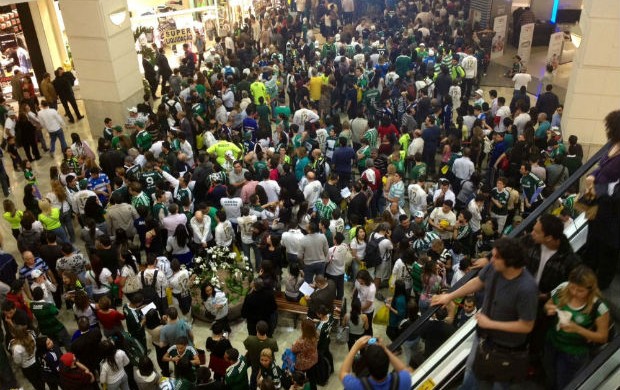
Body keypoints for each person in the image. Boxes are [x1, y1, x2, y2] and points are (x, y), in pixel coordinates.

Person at [432, 237, 538, 388]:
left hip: (506, 349)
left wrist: (491, 323)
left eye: (496, 257)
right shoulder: (494, 268)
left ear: (511, 261)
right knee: (471, 374)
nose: (491, 260)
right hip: (483, 338)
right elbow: (478, 282)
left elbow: (526, 325)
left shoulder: (527, 288)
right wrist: (449, 295)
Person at [543, 265, 609, 389]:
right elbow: (547, 304)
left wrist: (577, 329)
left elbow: (602, 337)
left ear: (590, 289)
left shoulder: (599, 307)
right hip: (552, 342)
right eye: (572, 287)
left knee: (564, 382)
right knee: (549, 374)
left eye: (580, 290)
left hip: (573, 353)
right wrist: (548, 309)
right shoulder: (563, 287)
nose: (574, 292)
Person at [582, 110, 620, 290]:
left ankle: (600, 286)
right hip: (598, 208)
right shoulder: (614, 146)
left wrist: (597, 188)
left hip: (613, 213)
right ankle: (586, 280)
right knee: (593, 243)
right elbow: (602, 166)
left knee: (608, 250)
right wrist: (593, 176)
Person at [339, 336, 412, 390]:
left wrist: (356, 345)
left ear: (367, 366)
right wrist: (384, 349)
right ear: (388, 363)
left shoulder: (356, 386)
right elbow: (404, 369)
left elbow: (343, 372)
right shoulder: (404, 380)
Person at [244, 320, 279, 389]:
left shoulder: (250, 339)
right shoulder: (272, 342)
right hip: (267, 366)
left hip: (255, 365)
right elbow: (275, 350)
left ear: (256, 329)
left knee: (253, 381)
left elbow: (247, 348)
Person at [292, 319, 319, 390]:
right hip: (313, 360)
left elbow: (293, 350)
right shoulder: (316, 336)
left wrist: (294, 343)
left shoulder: (301, 342)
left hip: (302, 364)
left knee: (299, 379)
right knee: (312, 378)